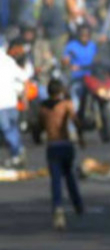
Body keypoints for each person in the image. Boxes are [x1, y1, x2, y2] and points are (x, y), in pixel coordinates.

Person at [39, 80, 84, 230]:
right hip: (65, 144)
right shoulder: (66, 104)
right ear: (60, 91)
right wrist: (81, 137)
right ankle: (77, 203)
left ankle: (58, 208)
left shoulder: (43, 107)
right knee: (69, 175)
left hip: (52, 146)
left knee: (56, 180)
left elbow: (38, 126)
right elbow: (75, 121)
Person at [0, 41, 33, 168]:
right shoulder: (9, 61)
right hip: (11, 103)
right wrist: (24, 98)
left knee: (7, 130)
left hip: (2, 105)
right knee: (13, 129)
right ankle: (18, 152)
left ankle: (17, 153)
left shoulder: (7, 61)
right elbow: (24, 78)